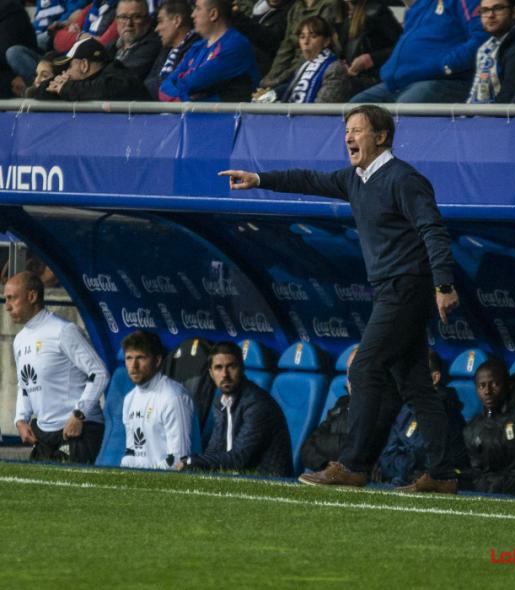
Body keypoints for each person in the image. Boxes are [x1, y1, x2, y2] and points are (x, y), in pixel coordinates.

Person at [220, 105, 460, 493]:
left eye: (357, 130)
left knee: (363, 369)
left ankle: (353, 465)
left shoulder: (404, 179)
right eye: (346, 130)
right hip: (389, 288)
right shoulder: (355, 179)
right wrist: (259, 178)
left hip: (407, 285)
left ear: (381, 136)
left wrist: (444, 285)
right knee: (415, 384)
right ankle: (443, 473)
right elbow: (308, 179)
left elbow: (433, 230)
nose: (348, 137)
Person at [4, 271, 109, 463]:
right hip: (44, 433)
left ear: (32, 296)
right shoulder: (19, 340)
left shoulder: (63, 330)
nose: (7, 307)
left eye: (12, 298)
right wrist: (20, 419)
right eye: (5, 299)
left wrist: (79, 414)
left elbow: (99, 372)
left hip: (79, 430)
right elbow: (25, 386)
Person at [176, 342, 293, 476]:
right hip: (241, 478)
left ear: (242, 369)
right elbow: (215, 448)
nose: (225, 374)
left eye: (231, 366)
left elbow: (239, 458)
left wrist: (193, 461)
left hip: (270, 482)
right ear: (211, 373)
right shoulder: (221, 401)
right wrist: (196, 462)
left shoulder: (258, 404)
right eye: (218, 368)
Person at [349, 0, 488, 104]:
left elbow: (483, 36)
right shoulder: (421, 4)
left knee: (404, 113)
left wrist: (446, 65)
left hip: (443, 81)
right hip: (398, 84)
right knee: (355, 110)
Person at [376, 350, 470, 487]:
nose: (407, 378)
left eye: (415, 373)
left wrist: (403, 463)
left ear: (435, 378)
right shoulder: (405, 409)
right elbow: (386, 457)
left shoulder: (446, 411)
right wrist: (405, 466)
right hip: (402, 480)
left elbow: (426, 458)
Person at [120, 330, 194, 470]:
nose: (133, 366)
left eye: (140, 358)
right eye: (129, 358)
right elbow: (131, 451)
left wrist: (146, 478)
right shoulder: (129, 399)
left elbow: (179, 460)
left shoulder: (173, 397)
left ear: (157, 360)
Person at [159, 0, 259, 102]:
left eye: (197, 9)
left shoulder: (235, 46)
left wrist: (181, 97)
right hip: (192, 116)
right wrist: (184, 98)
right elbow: (164, 88)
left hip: (227, 117)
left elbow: (193, 82)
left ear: (213, 14)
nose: (192, 15)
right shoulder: (196, 47)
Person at [462, 360, 515, 493]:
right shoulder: (472, 428)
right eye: (482, 386)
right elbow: (476, 469)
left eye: (494, 384)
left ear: (508, 385)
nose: (487, 391)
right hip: (489, 488)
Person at [467, 0, 515, 103]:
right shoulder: (485, 47)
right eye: (484, 10)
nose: (490, 15)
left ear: (514, 12)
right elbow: (474, 94)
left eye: (498, 8)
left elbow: (508, 102)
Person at [260, 15, 349, 102]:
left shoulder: (335, 69)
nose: (306, 42)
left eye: (313, 36)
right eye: (302, 37)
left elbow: (323, 108)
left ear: (326, 41)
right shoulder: (303, 64)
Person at [34, 36, 150, 100]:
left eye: (68, 67)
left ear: (84, 65)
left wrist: (66, 88)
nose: (65, 73)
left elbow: (111, 88)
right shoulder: (79, 86)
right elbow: (41, 92)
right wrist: (54, 85)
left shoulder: (119, 75)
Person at [258, 0, 340, 90]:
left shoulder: (329, 5)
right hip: (291, 71)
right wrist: (271, 76)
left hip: (314, 69)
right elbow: (286, 47)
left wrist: (278, 80)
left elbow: (312, 53)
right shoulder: (296, 7)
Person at [336, 0, 401, 98]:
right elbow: (344, 53)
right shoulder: (346, 18)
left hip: (376, 78)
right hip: (355, 78)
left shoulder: (376, 12)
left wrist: (370, 59)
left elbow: (401, 47)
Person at [144, 0, 201, 99]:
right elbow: (150, 82)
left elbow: (174, 84)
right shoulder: (165, 50)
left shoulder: (196, 48)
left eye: (160, 21)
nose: (157, 28)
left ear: (177, 20)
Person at [232, 0, 293, 78]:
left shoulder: (290, 13)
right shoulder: (257, 8)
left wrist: (239, 18)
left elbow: (272, 43)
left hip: (261, 73)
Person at [111, 0, 162, 81]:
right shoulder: (112, 45)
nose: (129, 23)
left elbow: (118, 79)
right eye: (123, 17)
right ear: (116, 20)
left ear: (148, 20)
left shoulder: (153, 46)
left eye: (136, 17)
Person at [0, 0, 38, 98]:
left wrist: (9, 79)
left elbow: (5, 50)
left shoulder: (9, 9)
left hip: (21, 70)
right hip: (7, 77)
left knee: (13, 54)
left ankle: (39, 91)